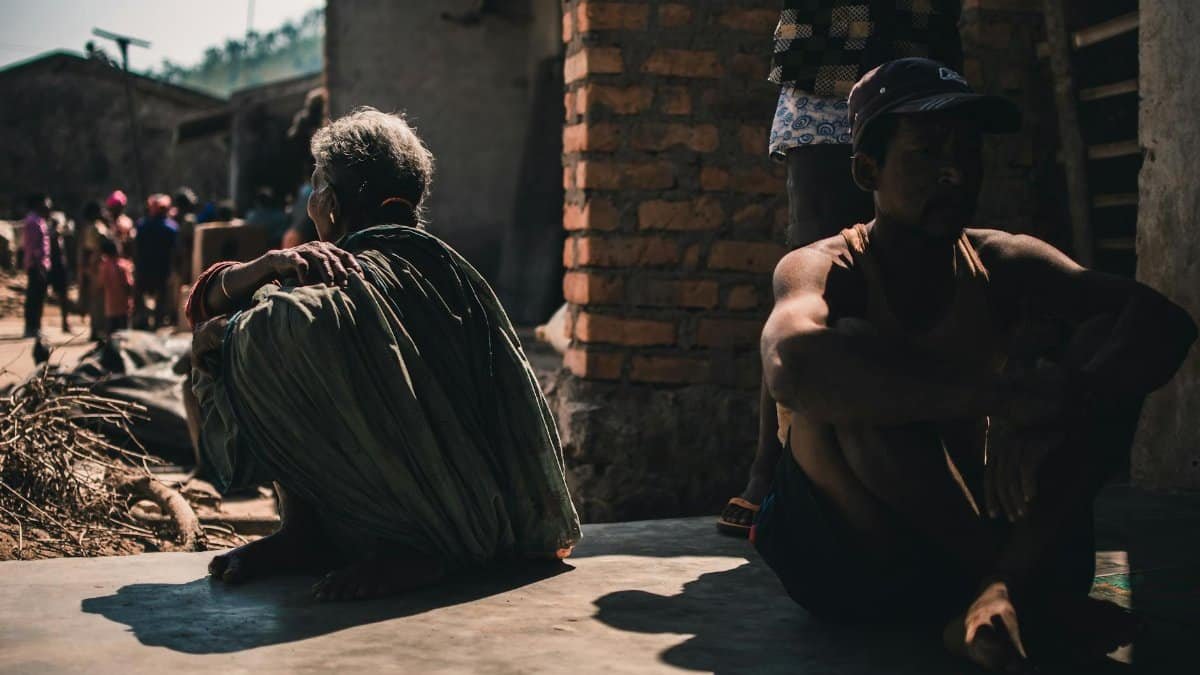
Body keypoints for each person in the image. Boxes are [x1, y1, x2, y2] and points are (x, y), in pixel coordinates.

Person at [751, 58, 1198, 672]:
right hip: (850, 560)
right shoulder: (825, 267)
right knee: (849, 352)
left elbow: (1162, 322)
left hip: (958, 535)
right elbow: (790, 368)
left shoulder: (1002, 260)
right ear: (867, 169)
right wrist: (1000, 398)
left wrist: (1062, 397)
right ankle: (1003, 586)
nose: (955, 172)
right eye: (926, 153)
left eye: (967, 152)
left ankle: (996, 593)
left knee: (1106, 361)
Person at [187, 108, 581, 601]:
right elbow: (204, 298)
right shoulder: (446, 267)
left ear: (329, 202)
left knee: (240, 338)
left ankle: (408, 546)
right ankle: (305, 535)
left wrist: (240, 321)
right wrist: (272, 263)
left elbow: (206, 317)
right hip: (487, 510)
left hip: (437, 517)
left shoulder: (347, 275)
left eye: (315, 188)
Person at [719, 0, 965, 534]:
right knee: (814, 280)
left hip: (919, 70)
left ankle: (925, 466)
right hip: (828, 78)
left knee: (923, 263)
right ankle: (774, 466)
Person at [133, 194, 180, 330]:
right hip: (162, 268)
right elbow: (176, 251)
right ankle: (157, 323)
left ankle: (143, 321)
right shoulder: (171, 227)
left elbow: (136, 248)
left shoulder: (142, 226)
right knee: (161, 297)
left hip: (144, 267)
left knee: (142, 295)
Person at [77, 201, 110, 340]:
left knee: (97, 300)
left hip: (94, 268)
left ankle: (97, 330)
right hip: (97, 268)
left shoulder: (92, 228)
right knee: (98, 300)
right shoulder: (96, 228)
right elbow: (93, 250)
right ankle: (97, 331)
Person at [22, 193, 52, 338]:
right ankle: (31, 327)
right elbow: (34, 247)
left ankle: (35, 326)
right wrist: (38, 266)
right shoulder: (33, 221)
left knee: (38, 296)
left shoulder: (40, 220)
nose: (49, 206)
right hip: (36, 265)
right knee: (34, 297)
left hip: (40, 264)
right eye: (46, 203)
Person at [97, 237, 133, 335]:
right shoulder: (124, 265)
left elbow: (100, 284)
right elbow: (129, 285)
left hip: (110, 307)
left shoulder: (104, 266)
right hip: (124, 306)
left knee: (111, 334)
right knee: (124, 334)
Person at [47, 212, 72, 334]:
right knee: (63, 297)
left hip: (57, 268)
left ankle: (65, 323)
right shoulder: (54, 234)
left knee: (63, 298)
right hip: (56, 269)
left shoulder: (55, 234)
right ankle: (65, 323)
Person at [105, 190, 135, 255]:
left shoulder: (126, 222)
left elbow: (131, 241)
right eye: (113, 206)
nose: (115, 209)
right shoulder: (104, 222)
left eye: (118, 207)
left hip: (123, 260)